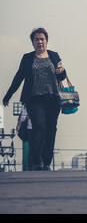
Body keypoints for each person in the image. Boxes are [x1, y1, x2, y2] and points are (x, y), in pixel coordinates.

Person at [2, 27, 67, 170]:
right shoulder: (27, 58)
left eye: (42, 39)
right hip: (34, 99)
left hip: (52, 99)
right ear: (32, 42)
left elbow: (62, 77)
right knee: (39, 126)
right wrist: (8, 95)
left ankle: (47, 162)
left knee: (51, 130)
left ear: (47, 41)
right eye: (36, 39)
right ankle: (37, 160)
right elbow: (18, 77)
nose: (39, 42)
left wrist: (62, 71)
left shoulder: (54, 56)